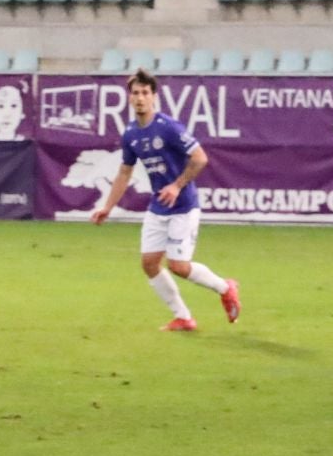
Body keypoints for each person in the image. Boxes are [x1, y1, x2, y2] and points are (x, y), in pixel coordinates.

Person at [89, 69, 241, 331]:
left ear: (154, 97)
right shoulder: (131, 134)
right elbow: (125, 171)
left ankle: (226, 288)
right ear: (129, 98)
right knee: (149, 264)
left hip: (183, 206)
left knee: (178, 266)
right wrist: (107, 207)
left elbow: (200, 158)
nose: (140, 98)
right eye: (135, 93)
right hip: (158, 207)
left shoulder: (168, 127)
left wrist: (176, 185)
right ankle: (183, 317)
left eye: (145, 93)